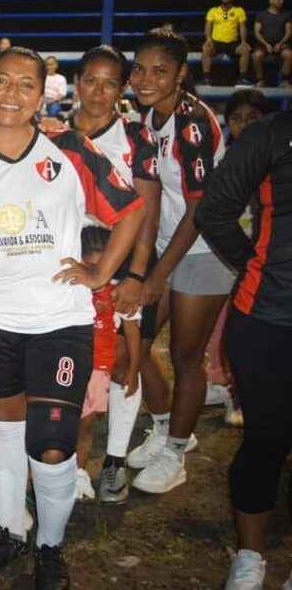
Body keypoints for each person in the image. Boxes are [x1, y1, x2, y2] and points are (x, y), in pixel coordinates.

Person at [0, 47, 144, 588]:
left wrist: (101, 274)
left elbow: (131, 209)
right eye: (2, 81)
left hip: (59, 322)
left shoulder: (69, 149)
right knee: (5, 432)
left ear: (42, 94)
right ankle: (10, 531)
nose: (12, 94)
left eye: (26, 84)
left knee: (52, 444)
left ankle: (50, 546)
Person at [126, 30, 233, 495]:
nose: (145, 79)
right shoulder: (149, 116)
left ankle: (176, 452)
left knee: (187, 355)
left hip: (206, 247)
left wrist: (157, 274)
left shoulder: (193, 123)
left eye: (160, 71)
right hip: (171, 241)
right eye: (139, 69)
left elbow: (200, 210)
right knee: (134, 343)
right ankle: (167, 425)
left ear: (180, 74)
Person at [58, 45, 161, 505]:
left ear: (122, 89)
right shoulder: (54, 135)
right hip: (74, 265)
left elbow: (146, 212)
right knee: (83, 361)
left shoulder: (136, 138)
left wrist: (136, 275)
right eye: (91, 80)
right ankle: (67, 458)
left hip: (122, 264)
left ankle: (115, 460)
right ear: (77, 83)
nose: (99, 91)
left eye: (110, 83)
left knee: (122, 362)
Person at [195, 110, 292, 590]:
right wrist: (255, 264)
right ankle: (250, 556)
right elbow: (213, 210)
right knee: (266, 439)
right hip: (268, 316)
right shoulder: (272, 135)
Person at [202, 89, 272, 429]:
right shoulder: (224, 160)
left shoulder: (276, 159)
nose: (244, 125)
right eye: (237, 118)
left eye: (253, 118)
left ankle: (240, 395)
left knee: (248, 337)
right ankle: (221, 383)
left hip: (263, 263)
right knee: (220, 330)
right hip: (228, 257)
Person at [73, 226, 142, 501]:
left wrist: (134, 369)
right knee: (60, 424)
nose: (97, 275)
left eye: (104, 268)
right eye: (90, 267)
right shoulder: (70, 286)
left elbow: (132, 330)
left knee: (85, 425)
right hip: (68, 367)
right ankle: (51, 475)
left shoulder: (119, 292)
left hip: (98, 371)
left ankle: (79, 473)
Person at [202, 0, 252, 85]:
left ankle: (242, 78)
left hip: (232, 43)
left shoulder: (239, 11)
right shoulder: (213, 11)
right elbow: (208, 26)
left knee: (245, 50)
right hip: (216, 42)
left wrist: (243, 42)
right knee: (205, 48)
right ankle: (206, 78)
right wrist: (208, 39)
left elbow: (242, 27)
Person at [251, 0, 291, 87]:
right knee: (256, 55)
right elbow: (257, 32)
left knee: (289, 54)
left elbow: (289, 32)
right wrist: (266, 44)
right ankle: (260, 80)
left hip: (281, 45)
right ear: (271, 1)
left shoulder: (286, 15)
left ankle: (284, 80)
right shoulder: (261, 15)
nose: (281, 1)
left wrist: (280, 44)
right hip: (264, 45)